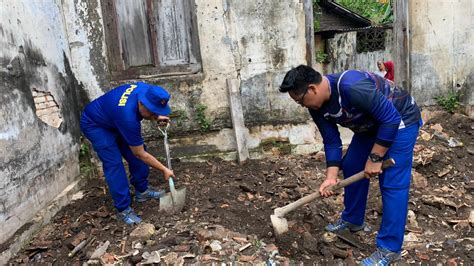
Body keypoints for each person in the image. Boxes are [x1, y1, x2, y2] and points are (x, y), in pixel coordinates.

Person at [279, 65, 421, 265]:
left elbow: (390, 119)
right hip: (370, 126)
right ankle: (353, 220)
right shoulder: (317, 107)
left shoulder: (351, 86)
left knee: (392, 182)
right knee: (353, 164)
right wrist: (330, 177)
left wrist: (375, 158)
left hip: (400, 120)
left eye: (300, 100)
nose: (302, 106)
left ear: (312, 89)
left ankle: (390, 248)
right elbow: (331, 141)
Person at [80, 82, 174, 225]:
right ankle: (123, 209)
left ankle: (142, 191)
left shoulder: (146, 90)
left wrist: (155, 115)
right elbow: (140, 154)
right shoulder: (128, 118)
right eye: (153, 112)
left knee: (135, 153)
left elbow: (138, 151)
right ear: (142, 103)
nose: (155, 114)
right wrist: (164, 169)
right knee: (114, 163)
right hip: (95, 124)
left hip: (114, 118)